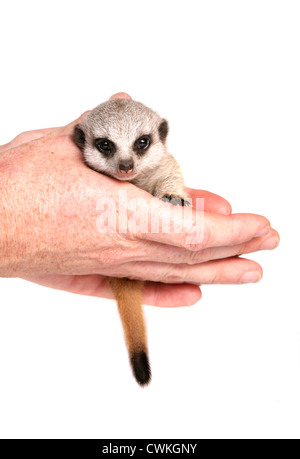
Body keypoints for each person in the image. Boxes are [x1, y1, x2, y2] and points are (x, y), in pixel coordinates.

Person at [0, 93, 279, 307]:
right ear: (82, 140)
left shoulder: (164, 167)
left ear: (161, 137)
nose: (125, 164)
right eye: (106, 147)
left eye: (141, 145)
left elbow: (169, 178)